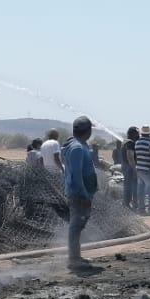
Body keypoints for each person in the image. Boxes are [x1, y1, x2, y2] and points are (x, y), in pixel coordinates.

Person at [62, 116, 99, 271]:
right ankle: (74, 259)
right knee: (76, 226)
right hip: (78, 194)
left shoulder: (79, 145)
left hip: (80, 193)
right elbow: (76, 175)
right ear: (88, 131)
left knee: (79, 225)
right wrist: (84, 195)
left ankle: (76, 256)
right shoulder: (77, 148)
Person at [120, 127, 140, 210]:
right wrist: (135, 170)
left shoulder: (124, 142)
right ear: (133, 134)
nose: (138, 135)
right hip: (129, 168)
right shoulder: (130, 143)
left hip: (125, 167)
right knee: (132, 186)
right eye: (136, 133)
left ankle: (127, 204)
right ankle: (130, 204)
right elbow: (130, 157)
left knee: (127, 186)